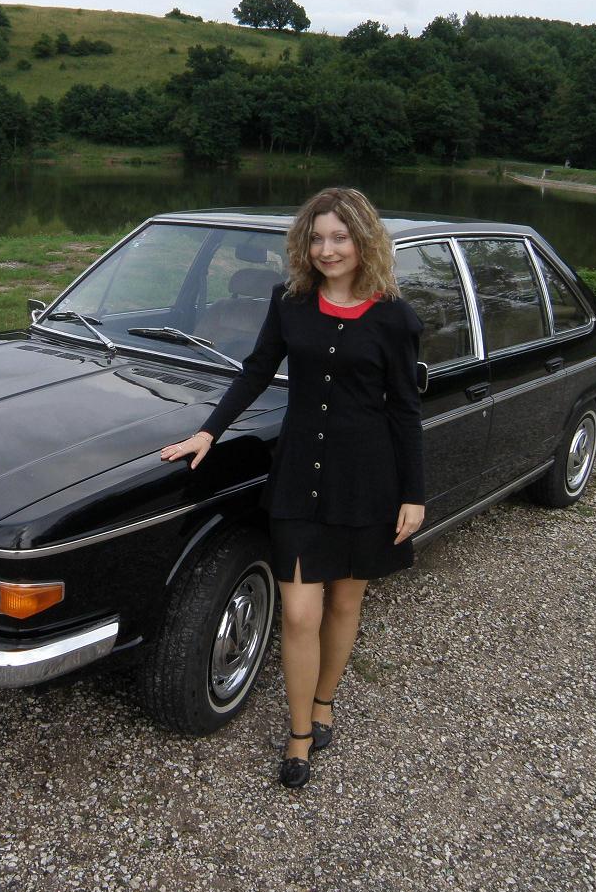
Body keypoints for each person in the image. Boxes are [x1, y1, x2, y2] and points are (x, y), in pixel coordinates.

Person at [160, 187, 425, 789]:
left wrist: (413, 493)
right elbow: (257, 369)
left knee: (346, 604)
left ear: (364, 241)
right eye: (317, 238)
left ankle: (325, 701)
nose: (327, 249)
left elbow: (405, 410)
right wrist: (208, 432)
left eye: (340, 237)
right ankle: (300, 734)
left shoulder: (395, 317)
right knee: (301, 614)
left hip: (367, 481)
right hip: (300, 475)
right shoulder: (290, 302)